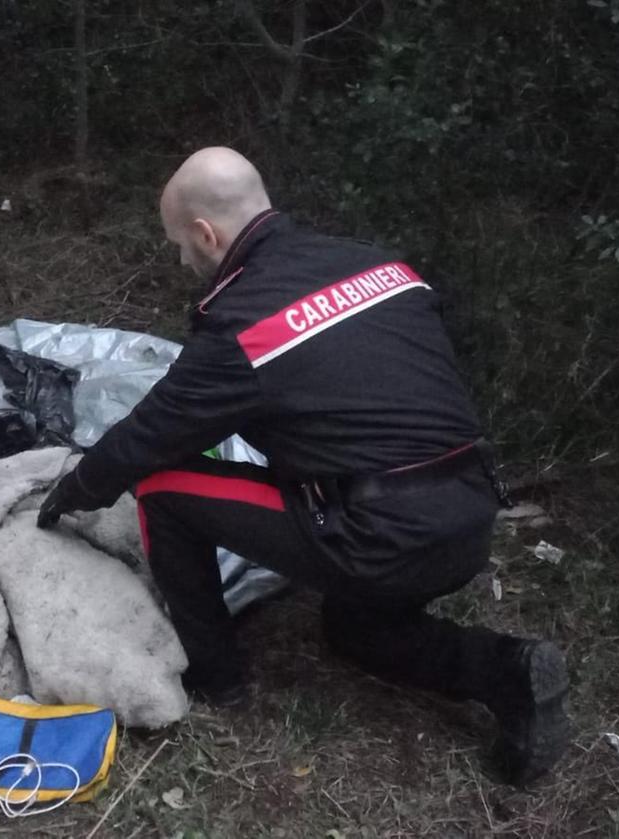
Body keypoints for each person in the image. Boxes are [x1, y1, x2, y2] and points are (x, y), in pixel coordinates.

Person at [38, 147, 570, 785]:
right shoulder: (376, 262)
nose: (182, 260)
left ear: (206, 234)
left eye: (180, 244)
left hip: (377, 534)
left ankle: (216, 678)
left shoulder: (242, 323)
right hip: (468, 513)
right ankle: (507, 670)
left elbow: (147, 440)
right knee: (354, 631)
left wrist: (73, 490)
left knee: (160, 486)